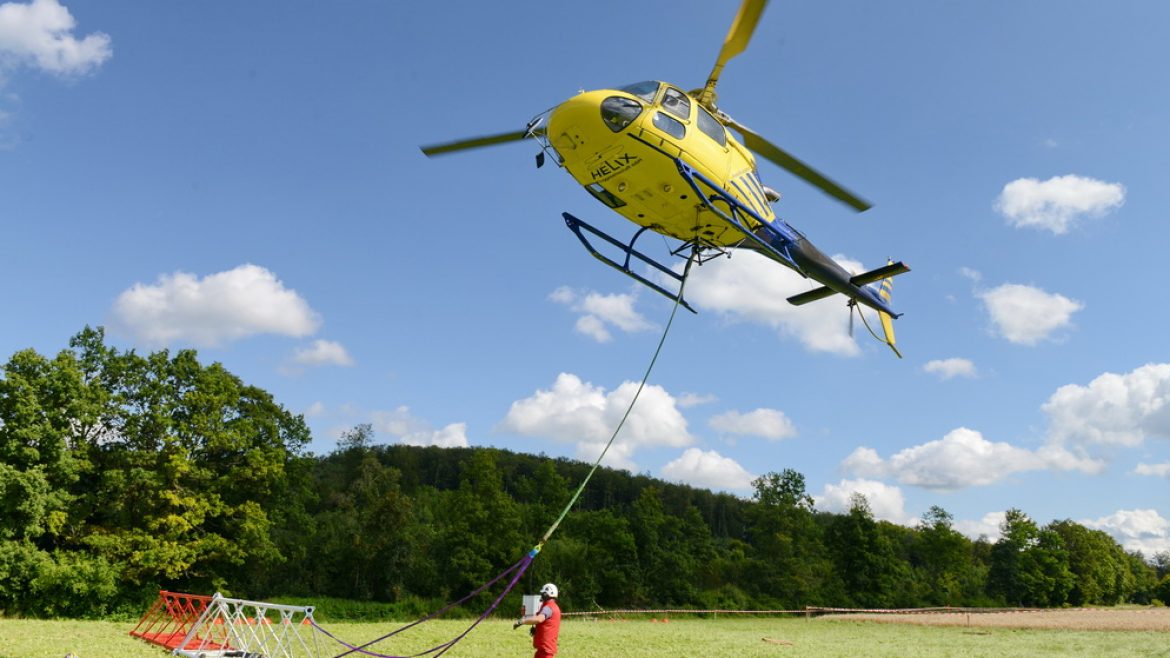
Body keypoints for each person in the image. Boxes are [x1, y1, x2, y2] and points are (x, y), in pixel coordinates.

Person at [513, 582, 561, 658]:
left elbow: (539, 619)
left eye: (543, 593)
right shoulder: (552, 606)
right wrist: (537, 629)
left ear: (547, 594)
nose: (541, 595)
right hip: (543, 650)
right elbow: (547, 624)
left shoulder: (548, 607)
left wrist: (522, 621)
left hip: (545, 651)